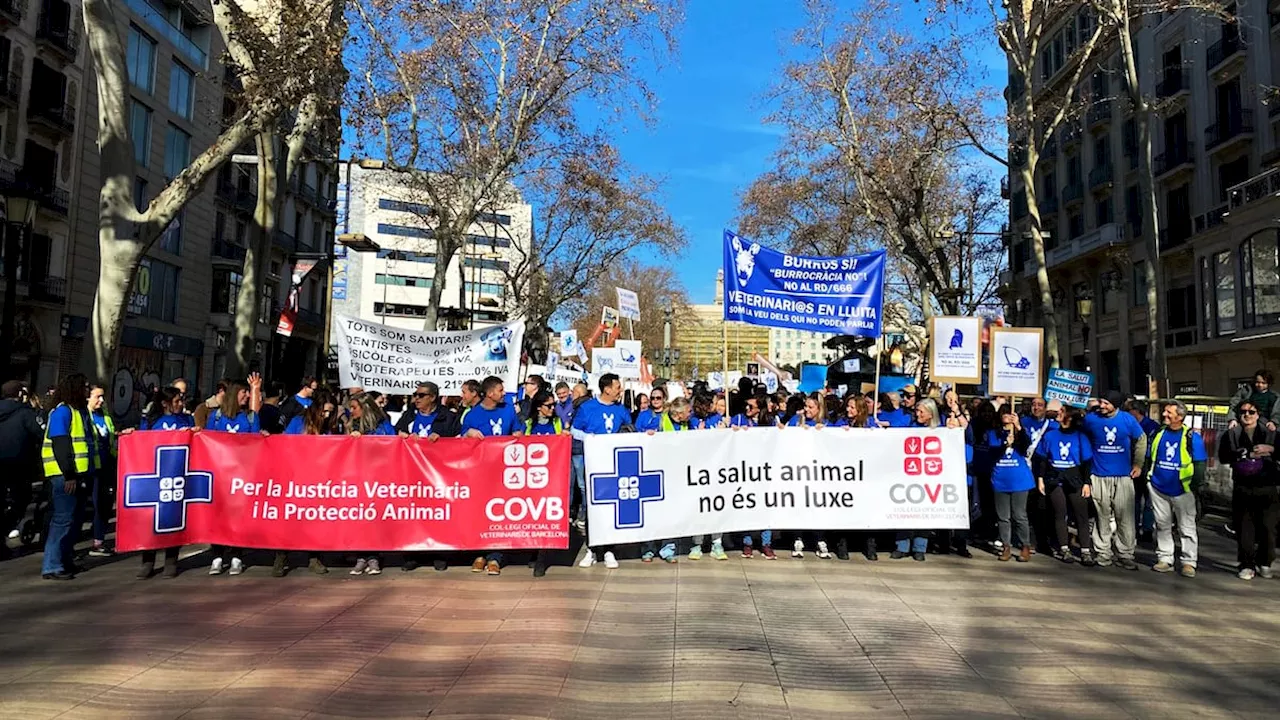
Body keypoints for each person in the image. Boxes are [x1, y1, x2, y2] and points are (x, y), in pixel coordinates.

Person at [126, 388, 199, 579]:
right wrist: (129, 436)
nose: (181, 404)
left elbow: (196, 443)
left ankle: (171, 561)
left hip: (177, 475)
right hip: (155, 475)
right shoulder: (151, 422)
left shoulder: (187, 420)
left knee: (175, 518)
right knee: (151, 520)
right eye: (176, 401)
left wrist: (194, 433)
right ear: (165, 403)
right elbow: (140, 443)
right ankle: (147, 562)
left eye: (181, 400)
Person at [1081, 391, 1147, 570]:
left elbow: (1141, 439)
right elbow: (1081, 437)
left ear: (1115, 405)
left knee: (1125, 518)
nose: (1102, 406)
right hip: (1098, 475)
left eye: (1106, 403)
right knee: (1101, 516)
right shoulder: (1091, 419)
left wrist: (1138, 463)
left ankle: (1125, 554)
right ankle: (1103, 553)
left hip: (1123, 476)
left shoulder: (1127, 420)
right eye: (1101, 402)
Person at [39, 374, 96, 580]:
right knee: (62, 521)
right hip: (65, 476)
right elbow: (60, 444)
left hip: (79, 475)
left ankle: (65, 561)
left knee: (75, 520)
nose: (88, 391)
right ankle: (52, 565)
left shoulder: (79, 412)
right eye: (85, 387)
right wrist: (70, 475)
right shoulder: (63, 411)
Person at [574, 373, 632, 570]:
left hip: (613, 465)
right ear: (607, 389)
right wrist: (590, 438)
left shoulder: (621, 409)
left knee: (610, 506)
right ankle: (591, 549)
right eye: (617, 386)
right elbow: (574, 430)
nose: (620, 390)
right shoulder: (587, 408)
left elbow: (631, 431)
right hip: (592, 464)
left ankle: (609, 549)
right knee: (592, 505)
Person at [278, 392, 339, 577]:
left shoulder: (328, 428)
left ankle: (314, 558)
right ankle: (281, 557)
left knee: (315, 520)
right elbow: (285, 444)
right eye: (324, 411)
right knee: (289, 520)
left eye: (330, 412)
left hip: (318, 480)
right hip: (296, 478)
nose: (327, 416)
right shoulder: (298, 422)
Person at [1144, 401, 1207, 578]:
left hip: (1183, 489)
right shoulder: (1158, 433)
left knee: (1186, 528)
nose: (1164, 415)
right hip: (1158, 487)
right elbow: (1149, 456)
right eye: (1165, 411)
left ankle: (1188, 562)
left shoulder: (1191, 437)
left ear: (1179, 417)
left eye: (1168, 412)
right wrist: (1148, 479)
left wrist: (1193, 487)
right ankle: (1165, 558)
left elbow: (1200, 464)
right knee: (1162, 525)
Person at [1218, 401, 1279, 580]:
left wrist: (1271, 449)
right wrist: (1244, 455)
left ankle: (1265, 562)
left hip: (1267, 487)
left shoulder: (1270, 432)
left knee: (1268, 528)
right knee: (1245, 529)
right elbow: (1223, 456)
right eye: (1243, 411)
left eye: (1251, 411)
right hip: (1243, 486)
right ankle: (1246, 564)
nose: (1247, 415)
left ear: (1258, 414)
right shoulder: (1231, 434)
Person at [1034, 406, 1096, 565]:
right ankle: (1064, 548)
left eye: (1061, 412)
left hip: (1075, 478)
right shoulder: (1050, 435)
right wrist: (1040, 478)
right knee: (1059, 514)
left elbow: (1087, 462)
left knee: (1081, 515)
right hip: (1055, 478)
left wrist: (1087, 483)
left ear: (1069, 417)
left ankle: (1085, 551)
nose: (1057, 414)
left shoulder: (1080, 437)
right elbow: (1042, 458)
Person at [893, 399, 939, 561]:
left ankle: (920, 547)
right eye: (917, 411)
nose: (917, 414)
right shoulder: (912, 427)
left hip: (930, 477)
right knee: (906, 511)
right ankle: (902, 546)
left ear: (931, 413)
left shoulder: (940, 430)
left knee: (924, 513)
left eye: (921, 412)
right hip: (910, 475)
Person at [0, 381, 43, 557]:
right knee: (21, 499)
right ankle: (4, 529)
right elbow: (40, 434)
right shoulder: (25, 413)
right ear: (20, 394)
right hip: (18, 466)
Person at [989, 404, 1034, 562]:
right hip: (1001, 480)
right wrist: (1004, 443)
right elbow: (992, 451)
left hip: (1019, 481)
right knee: (1003, 516)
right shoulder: (994, 433)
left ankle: (1025, 546)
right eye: (1005, 414)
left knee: (1019, 515)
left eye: (1011, 415)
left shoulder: (1020, 433)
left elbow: (1026, 445)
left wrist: (1018, 428)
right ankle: (1006, 546)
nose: (1008, 417)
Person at [86, 385, 118, 558]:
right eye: (98, 396)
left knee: (104, 505)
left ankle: (98, 541)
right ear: (87, 398)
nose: (102, 400)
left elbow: (110, 438)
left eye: (103, 396)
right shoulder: (84, 416)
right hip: (90, 468)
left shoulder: (104, 415)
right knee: (91, 506)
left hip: (107, 466)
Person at [395, 382, 461, 440]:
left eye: (421, 395)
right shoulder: (409, 414)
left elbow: (458, 439)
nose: (417, 398)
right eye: (415, 394)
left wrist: (441, 438)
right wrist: (402, 434)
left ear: (433, 397)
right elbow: (396, 431)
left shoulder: (448, 417)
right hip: (412, 453)